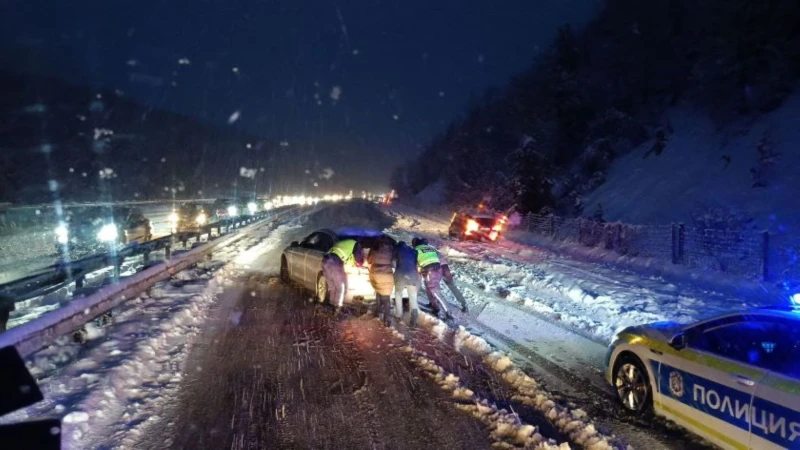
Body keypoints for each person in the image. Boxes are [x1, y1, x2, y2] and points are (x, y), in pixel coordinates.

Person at [412, 237, 452, 320]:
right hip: (437, 269)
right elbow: (440, 258)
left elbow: (414, 263)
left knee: (435, 292)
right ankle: (434, 306)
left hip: (429, 270)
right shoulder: (430, 248)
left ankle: (448, 313)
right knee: (428, 288)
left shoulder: (416, 250)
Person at [322, 238, 364, 315]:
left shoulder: (344, 243)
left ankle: (331, 307)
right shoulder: (356, 245)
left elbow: (347, 258)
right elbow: (358, 259)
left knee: (332, 287)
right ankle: (337, 308)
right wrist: (361, 263)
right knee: (341, 287)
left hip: (325, 261)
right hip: (334, 263)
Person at [368, 237, 395, 326]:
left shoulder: (374, 249)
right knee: (386, 297)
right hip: (387, 273)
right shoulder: (391, 250)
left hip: (375, 273)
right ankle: (387, 320)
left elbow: (369, 260)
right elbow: (394, 262)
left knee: (378, 291)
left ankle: (379, 312)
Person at [392, 240, 420, 326]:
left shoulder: (397, 250)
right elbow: (415, 263)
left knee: (398, 294)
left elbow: (393, 262)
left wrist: (395, 269)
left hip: (400, 274)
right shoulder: (413, 251)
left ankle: (398, 315)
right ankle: (414, 316)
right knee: (413, 296)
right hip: (413, 275)